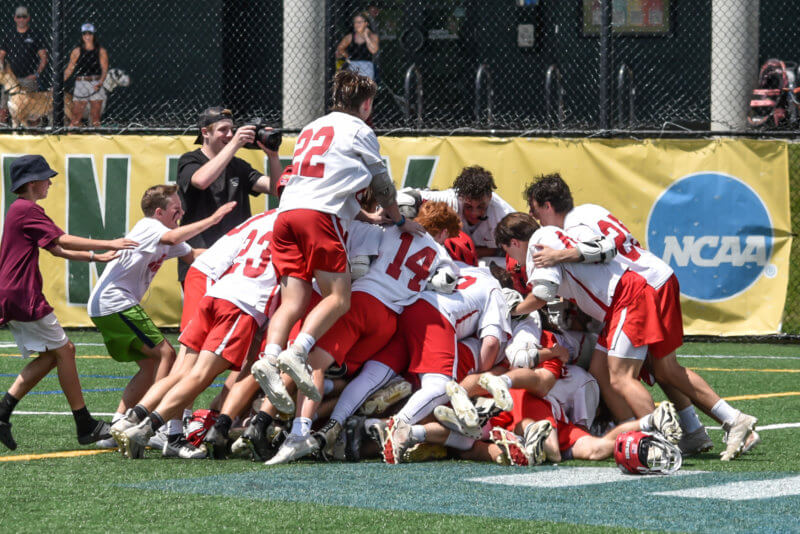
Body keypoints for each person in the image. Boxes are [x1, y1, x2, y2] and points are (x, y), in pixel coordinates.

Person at [524, 173, 759, 461]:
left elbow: (604, 249)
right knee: (634, 370)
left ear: (547, 205)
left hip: (640, 287)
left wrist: (558, 256)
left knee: (630, 375)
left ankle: (666, 436)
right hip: (642, 285)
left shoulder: (575, 221)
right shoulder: (590, 211)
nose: (538, 221)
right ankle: (693, 429)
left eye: (536, 213)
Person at [255, 70, 423, 418]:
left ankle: (271, 357)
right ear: (365, 103)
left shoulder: (312, 127)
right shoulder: (360, 129)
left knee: (294, 300)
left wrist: (366, 217)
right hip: (318, 217)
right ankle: (297, 352)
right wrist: (399, 218)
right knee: (340, 298)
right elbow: (382, 184)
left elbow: (327, 183)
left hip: (285, 215)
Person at [0, 155, 137, 450]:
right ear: (32, 183)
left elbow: (56, 248)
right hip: (22, 293)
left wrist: (94, 258)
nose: (50, 182)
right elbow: (63, 238)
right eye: (46, 179)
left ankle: (3, 413)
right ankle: (84, 424)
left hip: (13, 292)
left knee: (53, 355)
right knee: (66, 350)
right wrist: (108, 243)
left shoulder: (21, 210)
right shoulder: (26, 209)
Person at [87, 185, 235, 450]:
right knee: (167, 354)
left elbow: (192, 256)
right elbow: (171, 238)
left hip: (109, 304)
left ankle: (119, 424)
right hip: (114, 301)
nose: (181, 213)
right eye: (176, 210)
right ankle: (153, 423)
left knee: (150, 365)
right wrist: (213, 219)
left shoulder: (165, 233)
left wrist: (234, 253)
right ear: (159, 212)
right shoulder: (151, 227)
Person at [176, 106, 282, 284]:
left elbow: (274, 188)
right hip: (201, 261)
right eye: (222, 130)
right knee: (199, 312)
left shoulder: (238, 165)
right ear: (205, 133)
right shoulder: (190, 160)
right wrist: (234, 144)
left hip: (235, 261)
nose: (229, 135)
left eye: (231, 130)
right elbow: (201, 180)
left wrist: (273, 156)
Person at [418, 166, 515, 259]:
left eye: (481, 206)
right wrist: (404, 223)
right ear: (460, 197)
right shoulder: (450, 199)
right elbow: (408, 196)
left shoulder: (503, 214)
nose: (474, 213)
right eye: (468, 206)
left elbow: (522, 246)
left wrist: (482, 252)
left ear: (490, 197)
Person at [0, 6, 48, 124]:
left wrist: (36, 74)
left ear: (28, 18)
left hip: (28, 79)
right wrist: (2, 69)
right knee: (3, 109)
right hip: (11, 81)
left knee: (33, 112)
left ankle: (34, 137)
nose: (21, 19)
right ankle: (4, 135)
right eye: (19, 16)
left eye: (24, 16)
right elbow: (1, 55)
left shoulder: (35, 34)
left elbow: (44, 58)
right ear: (15, 18)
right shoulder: (9, 35)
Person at [63, 23, 108, 127]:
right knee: (76, 117)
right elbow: (69, 69)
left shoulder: (101, 51)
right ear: (82, 35)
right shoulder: (77, 51)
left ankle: (96, 140)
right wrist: (59, 83)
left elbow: (105, 70)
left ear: (94, 35)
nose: (87, 36)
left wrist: (100, 83)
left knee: (95, 117)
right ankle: (70, 139)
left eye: (90, 33)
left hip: (96, 83)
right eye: (84, 33)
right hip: (81, 83)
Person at [336, 12, 379, 81]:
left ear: (366, 23)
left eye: (359, 22)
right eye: (355, 22)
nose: (356, 24)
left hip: (367, 66)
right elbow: (340, 48)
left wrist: (366, 36)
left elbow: (374, 50)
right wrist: (347, 56)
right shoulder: (350, 36)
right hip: (353, 65)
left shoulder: (373, 36)